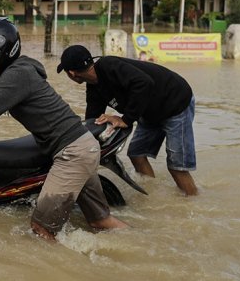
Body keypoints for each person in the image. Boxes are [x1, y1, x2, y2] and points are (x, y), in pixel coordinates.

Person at [0, 18, 128, 240]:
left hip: (71, 155)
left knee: (41, 230)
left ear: (2, 50)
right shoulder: (16, 70)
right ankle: (144, 243)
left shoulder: (18, 75)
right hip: (81, 147)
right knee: (100, 221)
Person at [57, 45, 198, 196]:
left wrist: (126, 119)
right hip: (149, 111)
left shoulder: (109, 65)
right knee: (136, 154)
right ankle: (151, 196)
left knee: (177, 167)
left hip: (175, 103)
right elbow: (92, 121)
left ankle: (193, 205)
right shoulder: (94, 89)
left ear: (71, 73)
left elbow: (144, 83)